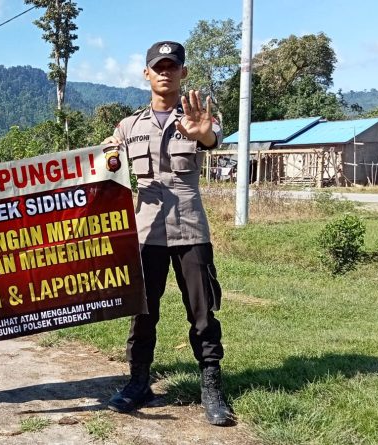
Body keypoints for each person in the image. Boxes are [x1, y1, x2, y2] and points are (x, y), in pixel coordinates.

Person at [102, 41, 234, 425]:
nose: (165, 72)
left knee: (203, 313)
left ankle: (211, 387)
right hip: (146, 233)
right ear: (146, 73)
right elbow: (106, 165)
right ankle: (138, 382)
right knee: (143, 312)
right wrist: (107, 153)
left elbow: (212, 138)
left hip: (191, 230)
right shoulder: (128, 126)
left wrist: (203, 134)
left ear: (183, 73)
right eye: (158, 67)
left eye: (172, 66)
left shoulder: (199, 116)